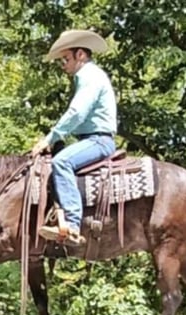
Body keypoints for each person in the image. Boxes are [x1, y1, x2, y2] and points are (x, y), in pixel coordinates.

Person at [31, 29, 118, 246]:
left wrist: (49, 138)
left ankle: (71, 224)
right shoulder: (90, 76)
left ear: (80, 55)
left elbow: (77, 113)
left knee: (62, 162)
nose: (63, 65)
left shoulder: (89, 76)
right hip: (92, 139)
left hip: (98, 140)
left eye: (66, 58)